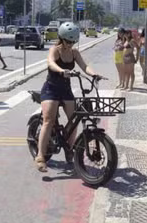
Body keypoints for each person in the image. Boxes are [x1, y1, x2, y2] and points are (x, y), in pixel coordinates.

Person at [34, 21, 99, 172]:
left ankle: (69, 151)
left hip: (66, 90)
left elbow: (84, 66)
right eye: (68, 41)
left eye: (73, 41)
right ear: (61, 38)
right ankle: (40, 156)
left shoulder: (75, 52)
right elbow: (50, 63)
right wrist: (61, 70)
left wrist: (94, 74)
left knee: (74, 121)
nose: (70, 44)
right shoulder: (55, 50)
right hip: (51, 89)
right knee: (48, 120)